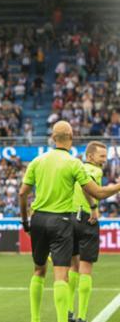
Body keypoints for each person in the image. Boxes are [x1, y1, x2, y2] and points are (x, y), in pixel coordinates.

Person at [18, 121, 120, 322]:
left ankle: (35, 319)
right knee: (61, 274)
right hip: (61, 220)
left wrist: (25, 222)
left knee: (38, 270)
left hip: (37, 218)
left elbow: (22, 194)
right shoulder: (74, 163)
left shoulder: (37, 161)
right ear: (71, 137)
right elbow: (97, 192)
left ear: (52, 138)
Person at [68, 141, 106, 322]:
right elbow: (87, 187)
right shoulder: (95, 170)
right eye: (101, 156)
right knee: (86, 268)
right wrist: (93, 207)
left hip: (70, 219)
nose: (104, 160)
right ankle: (81, 315)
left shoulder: (78, 167)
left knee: (72, 266)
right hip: (86, 219)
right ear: (90, 156)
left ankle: (68, 310)